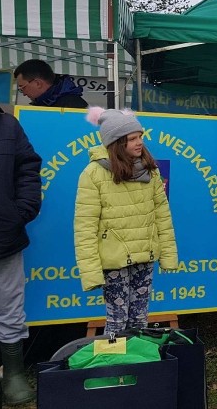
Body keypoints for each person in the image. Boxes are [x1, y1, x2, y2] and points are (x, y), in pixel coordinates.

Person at [74, 107, 178, 334]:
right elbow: (85, 227)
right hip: (114, 262)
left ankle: (138, 363)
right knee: (116, 322)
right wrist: (90, 271)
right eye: (132, 138)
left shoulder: (151, 171)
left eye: (140, 136)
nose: (139, 142)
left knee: (140, 320)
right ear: (117, 142)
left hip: (145, 255)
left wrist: (168, 256)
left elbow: (162, 215)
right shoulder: (93, 174)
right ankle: (114, 365)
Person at [0, 95, 41, 404]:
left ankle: (13, 373)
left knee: (10, 306)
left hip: (2, 235)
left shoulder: (7, 125)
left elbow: (28, 169)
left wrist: (20, 212)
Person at [13, 59, 88, 108]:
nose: (24, 93)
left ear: (38, 83)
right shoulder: (46, 101)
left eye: (23, 88)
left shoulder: (73, 104)